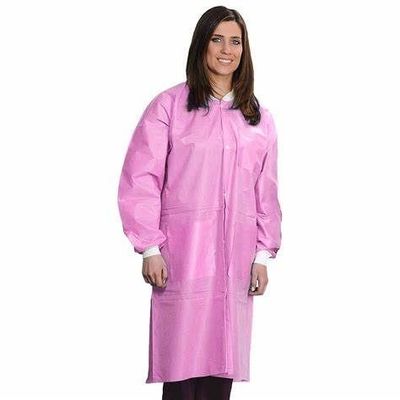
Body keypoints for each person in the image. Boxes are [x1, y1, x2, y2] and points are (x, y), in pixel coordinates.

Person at [117, 5, 282, 399]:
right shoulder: (169, 107)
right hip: (182, 258)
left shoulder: (257, 118)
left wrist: (262, 255)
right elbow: (142, 178)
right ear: (201, 45)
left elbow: (266, 191)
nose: (227, 50)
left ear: (244, 50)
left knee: (219, 367)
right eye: (217, 39)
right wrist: (150, 247)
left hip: (234, 263)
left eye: (235, 41)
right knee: (181, 368)